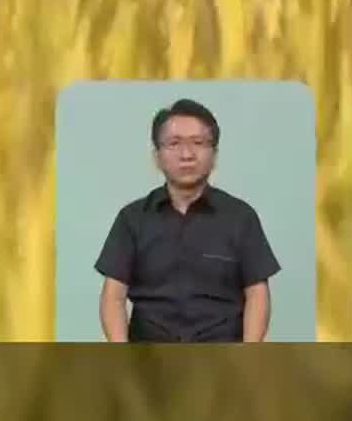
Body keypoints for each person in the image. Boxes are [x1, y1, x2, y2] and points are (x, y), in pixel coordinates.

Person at [94, 98, 280, 342]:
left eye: (198, 143)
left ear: (214, 155)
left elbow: (257, 293)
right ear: (157, 156)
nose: (187, 154)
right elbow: (113, 296)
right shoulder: (132, 218)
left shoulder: (241, 217)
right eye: (174, 143)